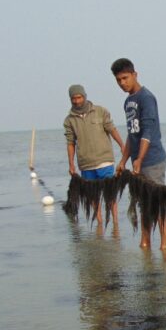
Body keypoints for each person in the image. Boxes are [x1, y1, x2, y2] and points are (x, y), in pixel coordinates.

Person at [110, 58, 166, 250]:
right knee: (143, 203)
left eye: (125, 78)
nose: (122, 83)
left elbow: (148, 132)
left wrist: (140, 159)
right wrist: (123, 160)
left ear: (135, 75)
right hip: (137, 160)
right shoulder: (128, 102)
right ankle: (145, 241)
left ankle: (164, 245)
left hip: (152, 160)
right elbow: (132, 134)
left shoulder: (146, 98)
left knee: (158, 203)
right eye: (118, 80)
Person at [63, 84, 125, 227]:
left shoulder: (100, 111)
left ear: (84, 96)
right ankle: (99, 222)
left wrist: (122, 145)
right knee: (92, 196)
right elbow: (70, 142)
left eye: (79, 97)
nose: (77, 101)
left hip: (105, 161)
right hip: (86, 164)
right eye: (74, 99)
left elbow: (112, 129)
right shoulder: (69, 120)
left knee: (110, 194)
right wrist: (71, 164)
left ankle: (115, 223)